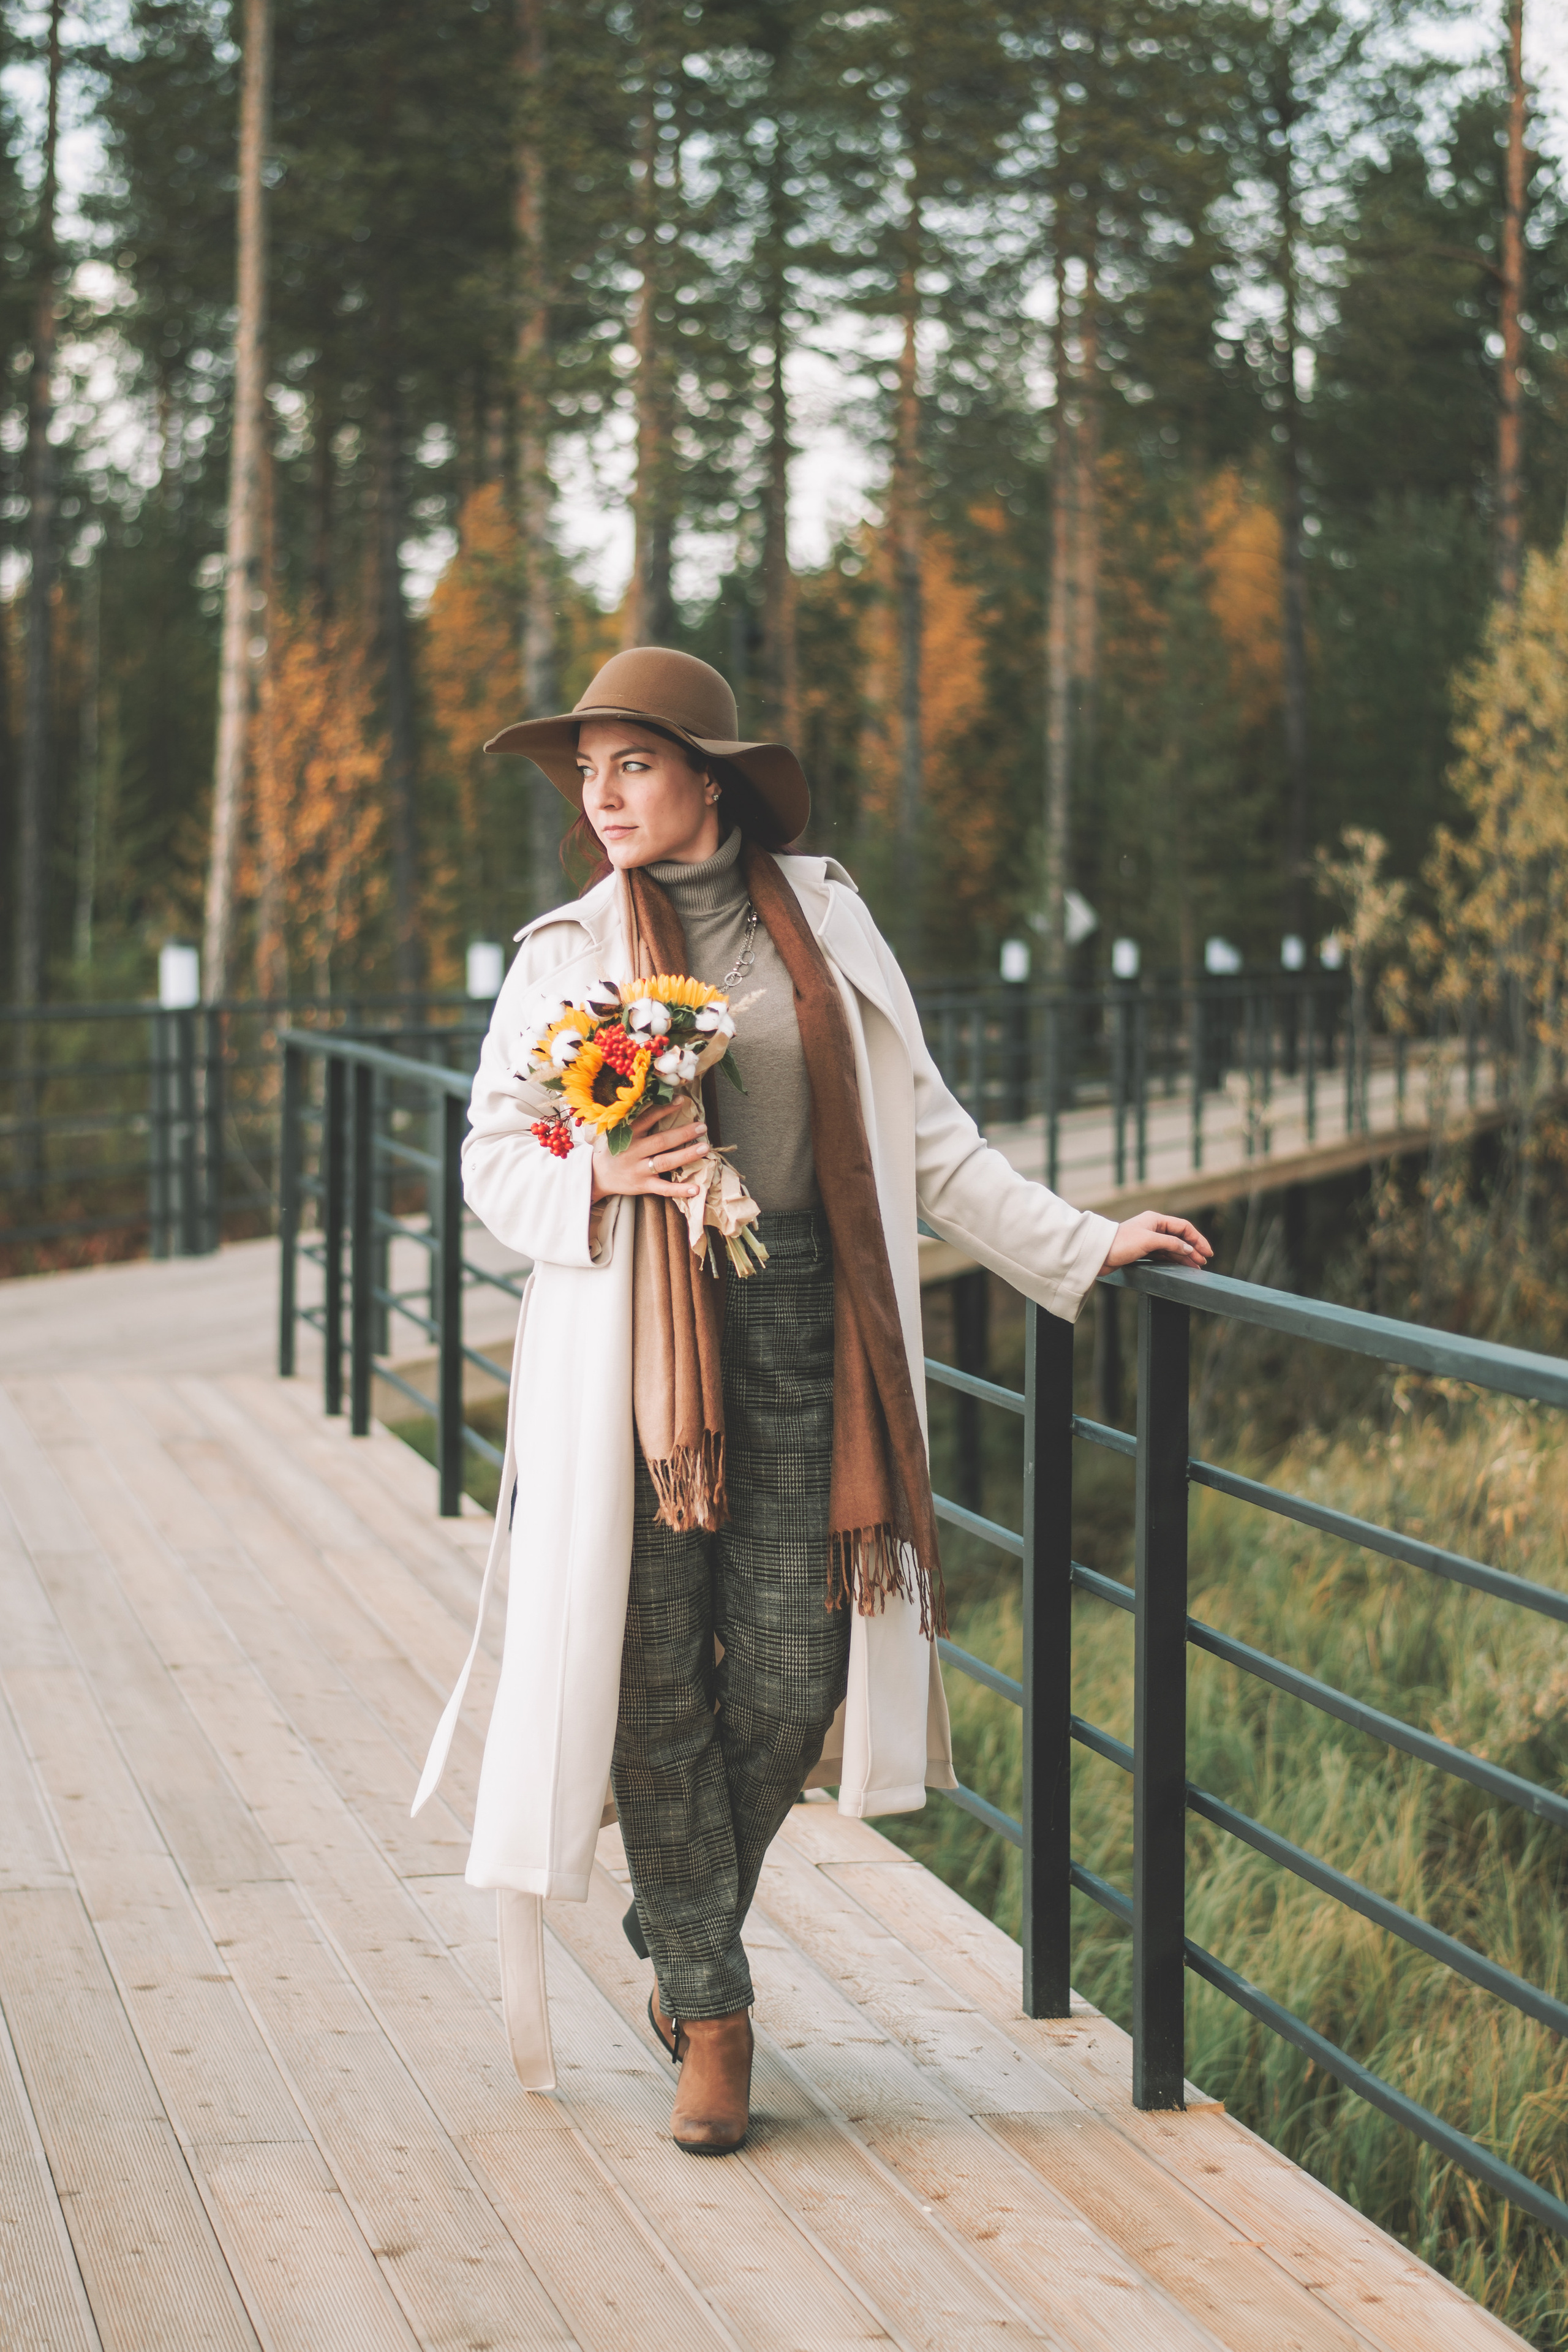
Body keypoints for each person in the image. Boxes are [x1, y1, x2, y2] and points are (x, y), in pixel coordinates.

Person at [413, 647, 1212, 2154]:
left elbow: (927, 1151)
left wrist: (1082, 1245)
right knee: (650, 1670)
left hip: (803, 1333)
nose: (599, 798)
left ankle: (675, 1910)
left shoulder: (826, 929)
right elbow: (488, 1159)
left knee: (792, 1673)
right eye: (584, 773)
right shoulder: (563, 953)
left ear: (708, 778)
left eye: (630, 766)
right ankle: (713, 2013)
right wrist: (597, 1171)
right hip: (635, 1352)